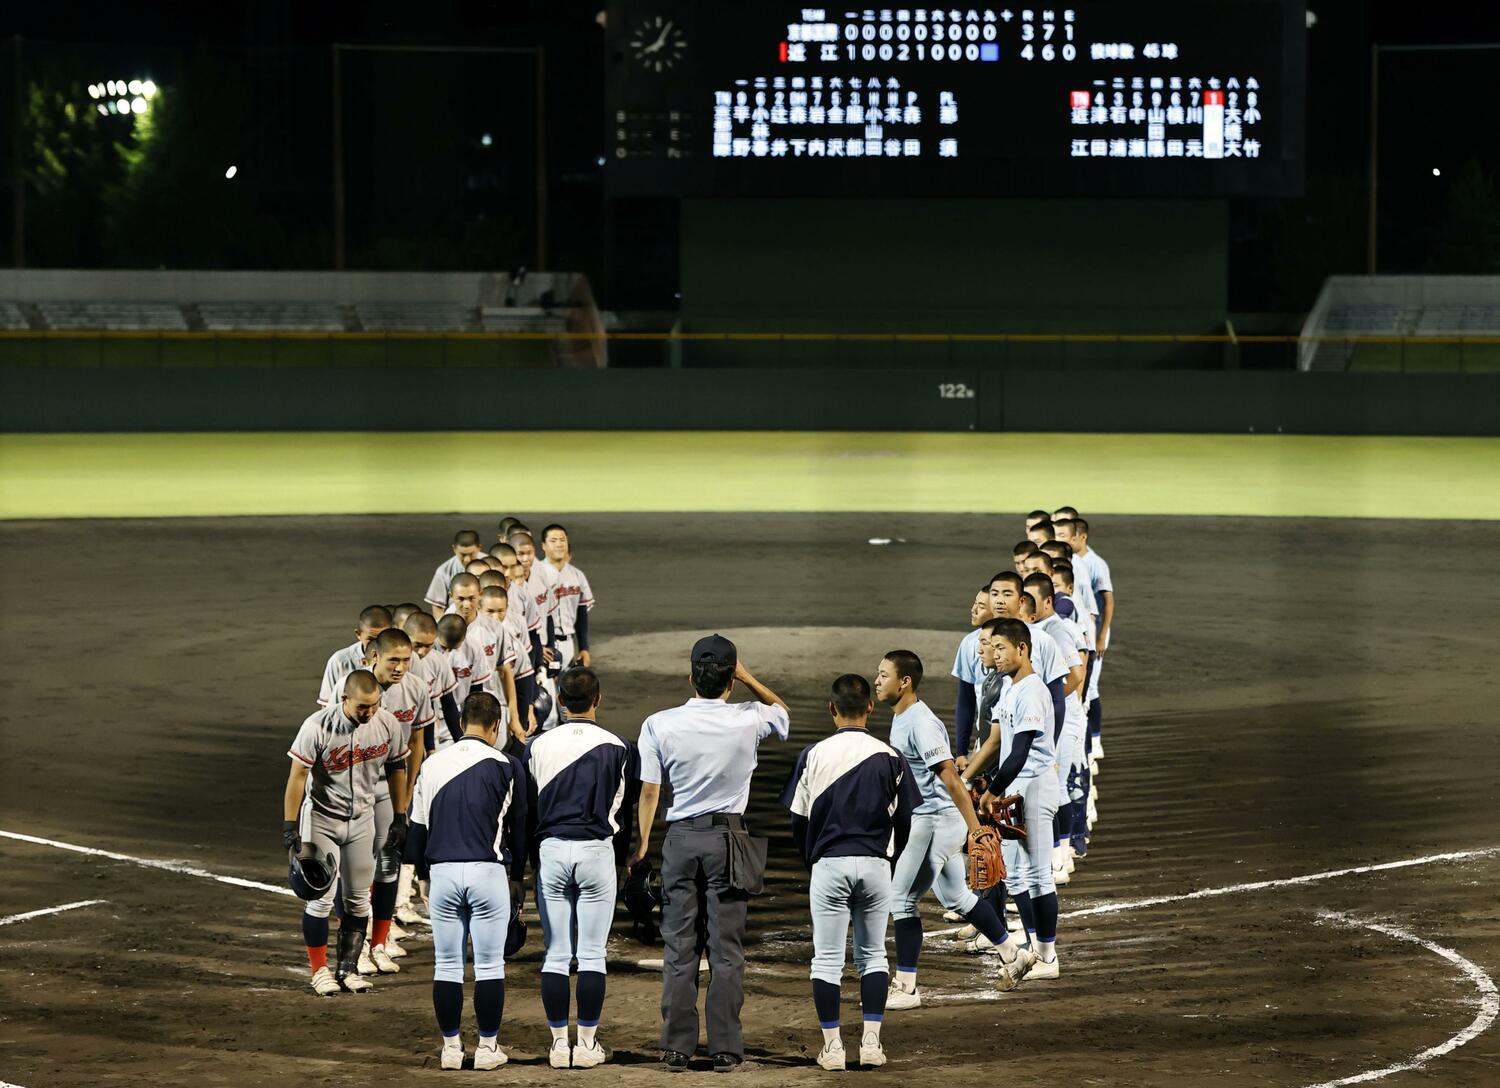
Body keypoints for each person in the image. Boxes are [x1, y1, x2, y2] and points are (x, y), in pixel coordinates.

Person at [628, 635, 789, 1073]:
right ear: (731, 680)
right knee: (726, 950)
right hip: (729, 841)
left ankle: (676, 1048)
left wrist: (643, 844)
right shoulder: (750, 717)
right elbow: (783, 713)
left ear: (690, 676)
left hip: (680, 839)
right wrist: (748, 675)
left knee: (679, 949)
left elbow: (649, 790)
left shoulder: (659, 723)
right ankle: (725, 1048)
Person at [876, 650, 1028, 1009]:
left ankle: (908, 987)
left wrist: (975, 829)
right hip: (931, 819)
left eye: (884, 675)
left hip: (934, 821)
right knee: (957, 897)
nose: (877, 680)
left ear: (905, 681)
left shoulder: (920, 722)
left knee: (902, 900)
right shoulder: (903, 717)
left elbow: (951, 779)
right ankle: (1013, 955)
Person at [780, 674, 917, 1071]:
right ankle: (871, 1042)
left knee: (826, 960)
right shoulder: (891, 756)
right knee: (873, 956)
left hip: (830, 864)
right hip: (876, 864)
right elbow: (906, 819)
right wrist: (889, 859)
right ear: (870, 708)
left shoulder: (814, 754)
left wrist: (813, 857)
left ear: (831, 709)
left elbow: (797, 820)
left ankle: (834, 1048)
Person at [406, 692, 529, 1070]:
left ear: (461, 722)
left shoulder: (433, 764)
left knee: (446, 964)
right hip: (487, 874)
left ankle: (451, 1049)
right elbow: (520, 829)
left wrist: (423, 876)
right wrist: (518, 875)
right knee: (490, 965)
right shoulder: (508, 766)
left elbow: (417, 828)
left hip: (442, 873)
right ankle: (488, 1048)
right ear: (495, 727)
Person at [527, 667, 637, 1069]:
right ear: (598, 699)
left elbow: (527, 809)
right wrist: (624, 860)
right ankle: (587, 1044)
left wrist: (530, 861)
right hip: (596, 853)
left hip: (552, 851)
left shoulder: (536, 746)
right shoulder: (620, 746)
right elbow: (624, 810)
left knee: (556, 955)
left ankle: (559, 1045)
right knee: (591, 955)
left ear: (559, 700)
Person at [282, 670, 408, 996]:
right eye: (362, 707)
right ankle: (319, 971)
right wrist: (289, 826)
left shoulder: (387, 724)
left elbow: (397, 767)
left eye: (374, 705)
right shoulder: (317, 726)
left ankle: (347, 969)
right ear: (344, 699)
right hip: (322, 819)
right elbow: (298, 775)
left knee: (357, 899)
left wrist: (399, 815)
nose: (368, 713)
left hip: (362, 819)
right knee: (321, 900)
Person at [966, 619, 1060, 981]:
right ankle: (1037, 951)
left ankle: (1048, 957)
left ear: (1022, 648)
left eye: (1002, 648)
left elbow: (1019, 753)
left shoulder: (1033, 690)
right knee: (1019, 876)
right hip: (1017, 789)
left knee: (1037, 874)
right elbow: (999, 746)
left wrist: (990, 793)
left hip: (1035, 785)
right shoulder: (1010, 687)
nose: (996, 654)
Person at [1055, 516, 1114, 760]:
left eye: (1062, 535)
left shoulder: (1091, 564)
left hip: (1090, 636)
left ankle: (1094, 743)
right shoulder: (1067, 568)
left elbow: (1102, 602)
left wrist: (1099, 638)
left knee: (1087, 694)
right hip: (1084, 636)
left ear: (1079, 537)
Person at [539, 524, 596, 672]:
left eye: (562, 540)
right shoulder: (536, 574)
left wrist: (584, 648)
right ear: (543, 546)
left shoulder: (577, 575)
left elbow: (581, 613)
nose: (559, 544)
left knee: (567, 689)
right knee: (545, 691)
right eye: (553, 540)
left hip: (568, 643)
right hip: (544, 645)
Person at [951, 585, 996, 773]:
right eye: (974, 603)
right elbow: (966, 700)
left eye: (981, 606)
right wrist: (961, 750)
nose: (973, 609)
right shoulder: (970, 644)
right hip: (985, 742)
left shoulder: (1023, 641)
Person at [317, 606, 391, 708]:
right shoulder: (340, 661)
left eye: (382, 638)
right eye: (370, 639)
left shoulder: (405, 658)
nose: (376, 644)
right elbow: (327, 707)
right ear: (358, 634)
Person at [425, 530, 487, 619]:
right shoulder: (444, 571)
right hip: (456, 619)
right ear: (454, 549)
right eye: (463, 554)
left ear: (479, 548)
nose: (467, 559)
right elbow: (438, 605)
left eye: (471, 554)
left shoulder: (490, 564)